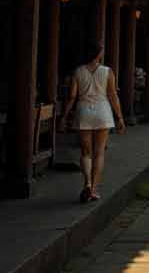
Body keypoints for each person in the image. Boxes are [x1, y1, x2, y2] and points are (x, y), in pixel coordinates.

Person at [59, 41, 126, 203]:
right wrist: (120, 117)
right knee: (99, 153)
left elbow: (72, 96)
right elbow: (112, 95)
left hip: (83, 112)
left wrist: (64, 116)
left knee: (85, 153)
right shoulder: (107, 71)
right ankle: (94, 190)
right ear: (99, 54)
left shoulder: (78, 71)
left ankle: (87, 183)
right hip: (103, 112)